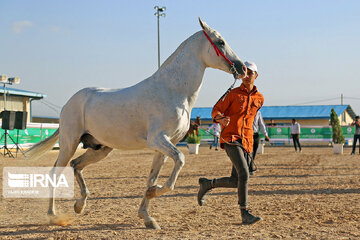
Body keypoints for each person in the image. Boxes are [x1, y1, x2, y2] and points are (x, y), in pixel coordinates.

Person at [197, 61, 263, 225]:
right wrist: (221, 119)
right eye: (245, 73)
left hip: (247, 141)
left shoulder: (259, 99)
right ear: (241, 75)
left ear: (256, 75)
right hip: (231, 138)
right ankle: (245, 213)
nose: (247, 76)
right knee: (244, 174)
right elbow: (216, 110)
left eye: (251, 73)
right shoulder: (232, 94)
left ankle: (207, 184)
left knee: (236, 181)